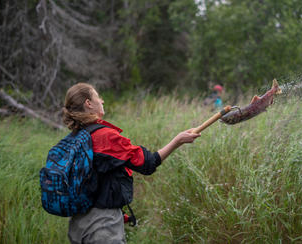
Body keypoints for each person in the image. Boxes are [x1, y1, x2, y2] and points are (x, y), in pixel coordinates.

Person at [62, 83, 200, 244]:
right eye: (98, 97)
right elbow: (148, 163)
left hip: (77, 226)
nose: (102, 101)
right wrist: (178, 141)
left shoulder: (72, 139)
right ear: (88, 103)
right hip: (102, 227)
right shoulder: (105, 137)